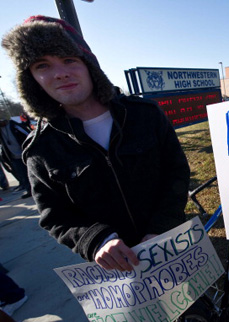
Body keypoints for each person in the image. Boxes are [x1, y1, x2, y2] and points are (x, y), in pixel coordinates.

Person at [2, 16, 191, 271]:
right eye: (42, 65)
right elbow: (55, 217)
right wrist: (96, 240)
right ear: (31, 80)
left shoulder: (144, 115)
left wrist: (161, 227)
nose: (60, 73)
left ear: (89, 65)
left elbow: (176, 172)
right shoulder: (40, 149)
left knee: (197, 309)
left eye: (69, 59)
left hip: (171, 244)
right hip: (116, 273)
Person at [0, 118, 31, 198]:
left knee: (31, 173)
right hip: (13, 156)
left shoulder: (13, 125)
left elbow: (27, 134)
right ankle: (29, 190)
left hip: (25, 154)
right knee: (23, 174)